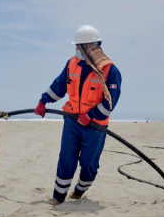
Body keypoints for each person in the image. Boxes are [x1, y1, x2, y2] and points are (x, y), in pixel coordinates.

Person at [34, 25, 122, 204]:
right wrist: (43, 101)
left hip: (95, 126)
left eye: (78, 47)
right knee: (66, 158)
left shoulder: (110, 71)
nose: (76, 50)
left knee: (89, 163)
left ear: (90, 47)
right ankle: (58, 197)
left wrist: (90, 115)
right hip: (72, 120)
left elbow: (110, 103)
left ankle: (80, 190)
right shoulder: (72, 63)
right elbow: (59, 86)